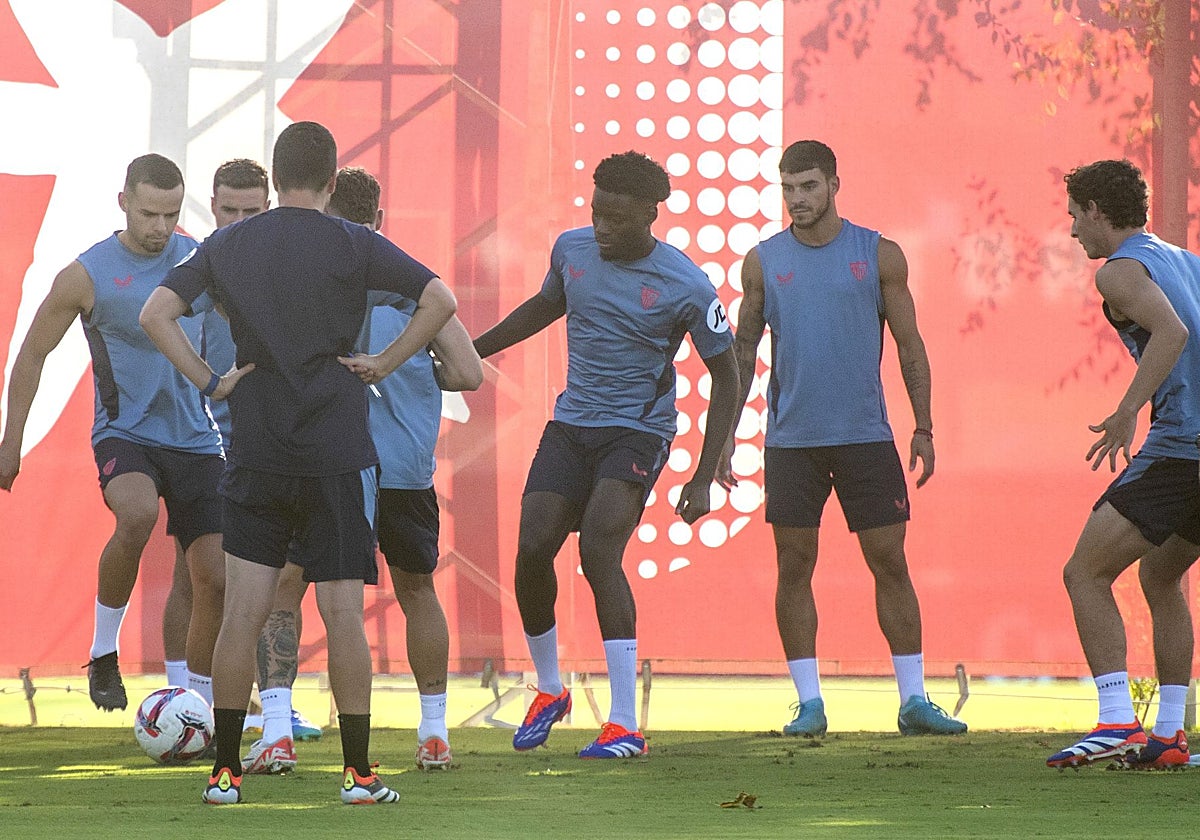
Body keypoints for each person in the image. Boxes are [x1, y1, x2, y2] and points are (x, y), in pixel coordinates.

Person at [141, 121, 457, 805]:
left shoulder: (228, 243)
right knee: (343, 613)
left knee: (243, 614)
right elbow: (441, 301)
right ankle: (358, 775)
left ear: (276, 177)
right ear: (334, 179)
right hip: (337, 451)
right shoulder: (355, 240)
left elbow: (156, 314)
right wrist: (384, 361)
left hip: (257, 447)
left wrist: (209, 379)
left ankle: (224, 774)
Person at [473, 150, 740, 758]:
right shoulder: (571, 251)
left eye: (617, 219)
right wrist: (474, 349)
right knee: (533, 548)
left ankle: (624, 724)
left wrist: (704, 473)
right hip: (572, 425)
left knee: (598, 550)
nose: (603, 228)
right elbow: (545, 307)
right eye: (597, 214)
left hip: (637, 433)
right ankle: (549, 691)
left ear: (650, 213)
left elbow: (728, 374)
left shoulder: (688, 285)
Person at [240, 166, 481, 776]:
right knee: (417, 590)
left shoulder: (309, 281)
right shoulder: (410, 287)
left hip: (332, 465)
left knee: (289, 590)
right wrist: (409, 369)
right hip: (402, 470)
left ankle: (276, 731)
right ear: (379, 223)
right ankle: (432, 734)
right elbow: (467, 373)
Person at [727, 140, 966, 738]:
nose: (797, 199)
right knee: (795, 566)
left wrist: (925, 426)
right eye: (788, 188)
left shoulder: (879, 253)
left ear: (835, 184)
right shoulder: (762, 261)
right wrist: (724, 439)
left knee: (890, 562)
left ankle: (913, 700)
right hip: (791, 443)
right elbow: (741, 352)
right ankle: (809, 705)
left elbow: (911, 345)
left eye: (808, 186)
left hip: (865, 438)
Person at [0, 154, 226, 712]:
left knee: (215, 579)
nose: (159, 228)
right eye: (149, 213)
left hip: (197, 437)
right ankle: (104, 653)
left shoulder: (198, 258)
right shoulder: (88, 273)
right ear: (123, 201)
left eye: (171, 214)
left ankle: (197, 706)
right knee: (137, 514)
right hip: (125, 432)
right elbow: (31, 356)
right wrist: (11, 443)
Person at [1045, 159, 1200, 770]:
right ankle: (1169, 735)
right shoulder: (1183, 259)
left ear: (1098, 214)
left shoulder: (1118, 273)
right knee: (1161, 577)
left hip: (1181, 451)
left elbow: (1172, 333)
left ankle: (1116, 721)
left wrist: (1127, 410)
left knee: (1083, 573)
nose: (1072, 230)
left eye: (1074, 217)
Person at [165, 158, 277, 693]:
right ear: (211, 206)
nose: (237, 220)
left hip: (269, 441)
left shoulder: (285, 265)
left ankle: (266, 695)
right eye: (227, 209)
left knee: (263, 577)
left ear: (269, 207)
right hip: (203, 442)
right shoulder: (196, 266)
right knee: (196, 573)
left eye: (249, 210)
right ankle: (181, 695)